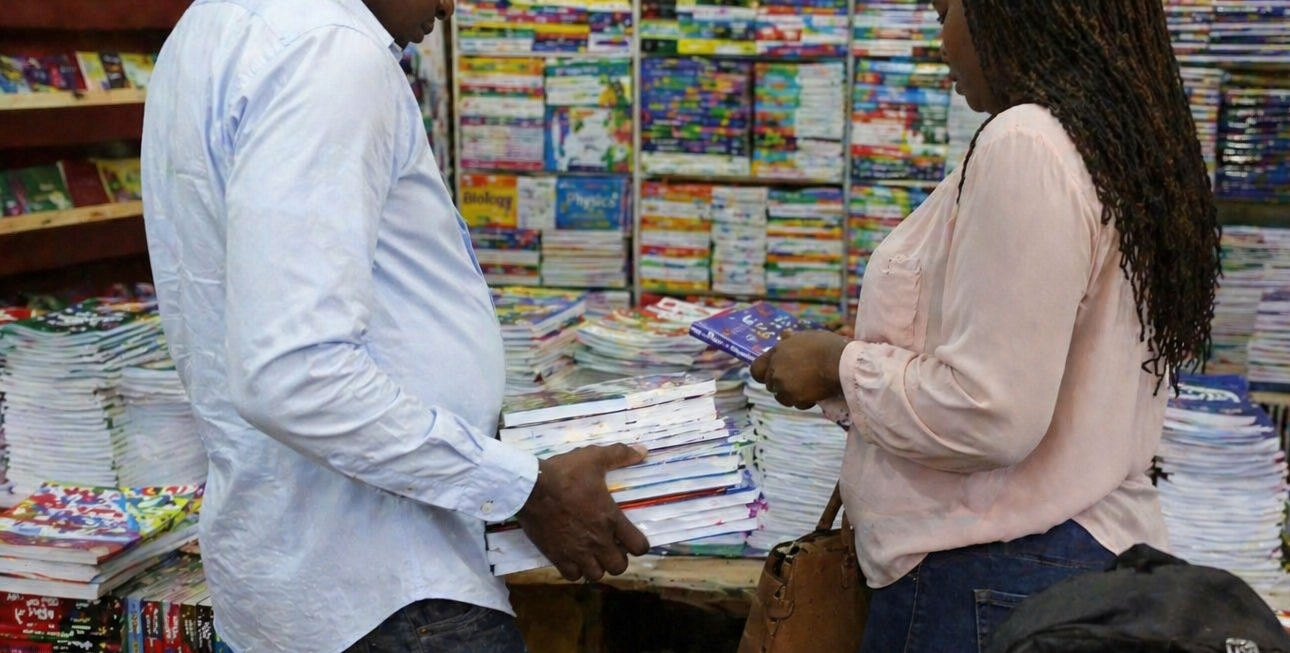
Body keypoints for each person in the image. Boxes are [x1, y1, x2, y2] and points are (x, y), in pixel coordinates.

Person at [140, 1, 650, 652]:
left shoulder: (212, 25)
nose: (447, 6)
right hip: (390, 589)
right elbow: (294, 374)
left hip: (292, 571)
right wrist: (522, 488)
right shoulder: (326, 52)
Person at [750, 0, 1221, 651]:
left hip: (985, 575)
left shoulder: (1025, 142)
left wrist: (836, 364)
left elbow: (988, 410)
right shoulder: (1113, 143)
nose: (940, 35)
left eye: (947, 8)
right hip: (1064, 556)